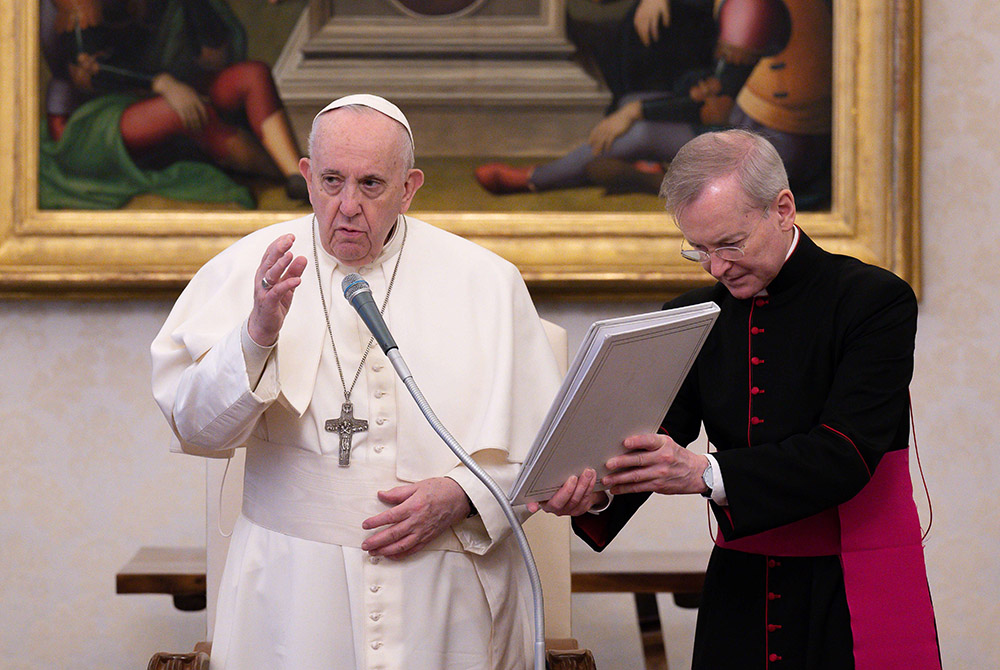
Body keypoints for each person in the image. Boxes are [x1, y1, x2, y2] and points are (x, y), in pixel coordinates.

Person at [151, 94, 563, 669]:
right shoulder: (245, 268)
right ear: (306, 177)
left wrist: (464, 495)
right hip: (290, 594)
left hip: (444, 595)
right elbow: (195, 427)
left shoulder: (486, 283)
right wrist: (256, 334)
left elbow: (548, 451)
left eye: (371, 184)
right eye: (331, 181)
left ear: (409, 186)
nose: (347, 205)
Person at [532, 130, 941, 668]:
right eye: (697, 250)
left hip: (851, 585)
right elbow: (656, 436)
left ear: (783, 209)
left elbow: (847, 452)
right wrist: (595, 491)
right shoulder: (691, 311)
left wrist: (706, 473)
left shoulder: (873, 300)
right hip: (741, 589)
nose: (717, 268)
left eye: (730, 244)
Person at [476, 0, 832, 208]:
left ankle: (534, 180)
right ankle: (659, 172)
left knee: (637, 126)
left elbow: (715, 101)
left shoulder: (754, 8)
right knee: (633, 102)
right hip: (753, 117)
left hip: (777, 148)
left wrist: (636, 114)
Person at [39, 0, 307, 210]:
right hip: (86, 120)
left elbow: (213, 58)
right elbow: (86, 70)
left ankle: (296, 174)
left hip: (152, 96)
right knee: (191, 114)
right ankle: (293, 179)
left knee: (252, 75)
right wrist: (162, 83)